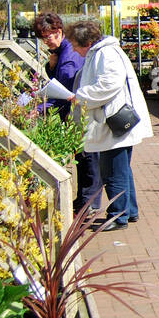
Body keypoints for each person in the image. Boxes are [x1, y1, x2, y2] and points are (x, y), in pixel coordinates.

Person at [57, 18, 153, 229]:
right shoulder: (101, 51)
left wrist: (80, 96)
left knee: (113, 170)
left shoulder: (105, 53)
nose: (73, 49)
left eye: (74, 44)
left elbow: (109, 84)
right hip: (115, 120)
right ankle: (130, 211)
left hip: (114, 121)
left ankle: (118, 216)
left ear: (86, 42)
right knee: (121, 168)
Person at [33, 12, 102, 219]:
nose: (48, 40)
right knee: (82, 157)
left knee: (88, 157)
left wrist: (39, 108)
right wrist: (50, 66)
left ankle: (89, 203)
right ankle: (84, 200)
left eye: (52, 34)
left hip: (78, 110)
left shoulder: (69, 55)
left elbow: (63, 89)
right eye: (44, 37)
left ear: (60, 31)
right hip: (74, 111)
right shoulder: (60, 53)